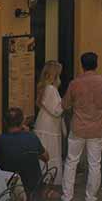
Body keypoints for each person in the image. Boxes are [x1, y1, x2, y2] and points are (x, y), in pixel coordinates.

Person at [61, 52, 102, 201]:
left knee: (71, 161)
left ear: (82, 65)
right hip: (97, 128)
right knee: (95, 164)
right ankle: (90, 198)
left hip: (78, 127)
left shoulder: (75, 83)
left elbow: (65, 104)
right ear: (96, 64)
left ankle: (67, 196)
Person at [0, 108, 49, 195]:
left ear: (5, 122)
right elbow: (46, 157)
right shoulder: (32, 137)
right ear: (22, 122)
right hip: (33, 188)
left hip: (10, 188)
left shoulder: (0, 141)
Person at [34, 60, 66, 189]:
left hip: (42, 122)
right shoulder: (52, 89)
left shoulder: (43, 88)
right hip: (50, 125)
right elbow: (57, 110)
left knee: (43, 153)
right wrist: (66, 103)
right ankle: (49, 185)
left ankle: (42, 182)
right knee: (51, 154)